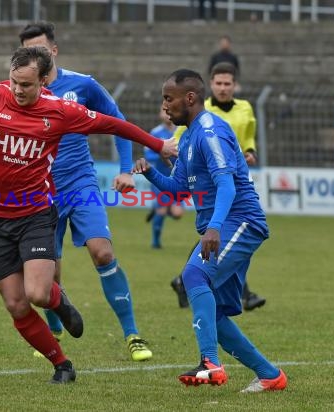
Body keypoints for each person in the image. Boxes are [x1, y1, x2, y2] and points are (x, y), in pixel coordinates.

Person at [0, 47, 176, 383]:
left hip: (35, 214)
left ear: (43, 81)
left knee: (38, 294)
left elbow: (114, 124)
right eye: (14, 82)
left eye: (25, 84)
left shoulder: (61, 110)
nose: (18, 90)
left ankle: (59, 301)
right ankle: (62, 364)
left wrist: (158, 146)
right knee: (16, 304)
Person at [133, 69, 287, 392]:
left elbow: (227, 187)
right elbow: (177, 189)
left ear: (189, 98)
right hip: (226, 223)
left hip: (240, 220)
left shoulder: (209, 131)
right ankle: (270, 375)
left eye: (168, 99)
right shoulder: (187, 137)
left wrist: (214, 227)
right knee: (213, 313)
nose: (165, 107)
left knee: (193, 277)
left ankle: (210, 363)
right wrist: (149, 173)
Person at [18, 22, 153, 362]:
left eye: (41, 51)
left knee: (102, 253)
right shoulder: (19, 91)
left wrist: (125, 170)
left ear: (54, 51)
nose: (36, 57)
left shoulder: (82, 85)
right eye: (29, 53)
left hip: (80, 184)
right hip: (39, 192)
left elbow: (117, 121)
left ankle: (132, 334)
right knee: (49, 274)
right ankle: (56, 330)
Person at [170, 62, 266, 311]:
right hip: (211, 183)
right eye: (219, 83)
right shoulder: (201, 110)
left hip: (233, 178)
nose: (223, 88)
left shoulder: (245, 108)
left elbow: (248, 135)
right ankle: (193, 279)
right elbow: (183, 142)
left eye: (228, 83)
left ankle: (195, 281)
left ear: (235, 85)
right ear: (211, 85)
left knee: (230, 236)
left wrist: (249, 151)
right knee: (217, 235)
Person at [145, 108, 185, 249]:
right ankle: (155, 242)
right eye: (164, 111)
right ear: (160, 114)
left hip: (177, 178)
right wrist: (164, 153)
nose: (168, 114)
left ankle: (157, 209)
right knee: (162, 210)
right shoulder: (155, 133)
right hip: (160, 179)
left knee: (178, 214)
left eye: (171, 111)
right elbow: (148, 156)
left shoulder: (181, 131)